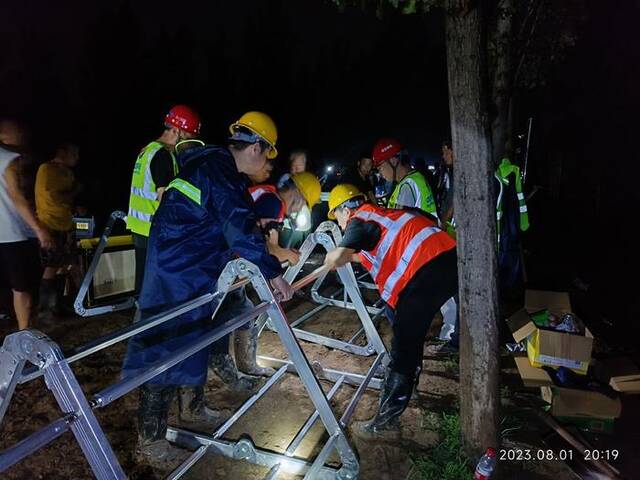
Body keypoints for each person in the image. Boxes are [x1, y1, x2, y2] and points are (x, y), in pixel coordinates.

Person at [121, 111, 294, 469]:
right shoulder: (217, 171)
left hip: (192, 266)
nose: (266, 163)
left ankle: (193, 408)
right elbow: (239, 226)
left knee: (193, 338)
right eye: (267, 154)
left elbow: (231, 226)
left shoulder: (218, 169)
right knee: (166, 349)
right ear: (256, 148)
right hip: (176, 270)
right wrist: (272, 273)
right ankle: (150, 441)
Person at [324, 184, 457, 438]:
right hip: (446, 258)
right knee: (406, 330)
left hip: (426, 269)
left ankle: (385, 422)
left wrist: (331, 257)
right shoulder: (381, 218)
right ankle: (409, 384)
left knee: (404, 345)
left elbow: (341, 255)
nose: (340, 225)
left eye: (337, 217)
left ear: (345, 209)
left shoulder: (360, 217)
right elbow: (362, 256)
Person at [226, 171, 321, 378]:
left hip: (229, 258)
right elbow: (267, 248)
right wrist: (288, 255)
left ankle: (239, 365)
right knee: (232, 313)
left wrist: (283, 254)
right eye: (302, 205)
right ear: (297, 195)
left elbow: (267, 247)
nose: (297, 211)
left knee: (240, 310)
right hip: (225, 260)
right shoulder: (273, 203)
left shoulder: (268, 198)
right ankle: (232, 366)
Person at [126, 105, 201, 294]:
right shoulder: (163, 156)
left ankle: (142, 317)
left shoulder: (147, 151)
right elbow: (164, 198)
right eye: (188, 136)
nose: (188, 143)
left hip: (140, 226)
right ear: (176, 130)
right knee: (154, 285)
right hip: (154, 229)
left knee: (144, 280)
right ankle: (146, 320)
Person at [0, 119, 52, 330]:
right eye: (21, 132)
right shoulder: (9, 159)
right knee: (22, 288)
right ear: (8, 135)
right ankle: (25, 333)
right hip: (13, 234)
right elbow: (17, 198)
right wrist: (39, 230)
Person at [35, 143, 81, 314]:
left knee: (64, 264)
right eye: (74, 153)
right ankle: (45, 309)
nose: (77, 158)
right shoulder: (47, 169)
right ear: (62, 152)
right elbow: (53, 196)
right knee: (52, 265)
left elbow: (68, 198)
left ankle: (59, 304)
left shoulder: (67, 172)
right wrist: (74, 192)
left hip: (66, 223)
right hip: (50, 223)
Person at [372, 138, 438, 219]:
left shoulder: (407, 186)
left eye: (380, 167)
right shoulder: (414, 178)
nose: (380, 173)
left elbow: (398, 225)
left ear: (393, 161)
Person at [435, 140, 455, 233]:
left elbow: (454, 202)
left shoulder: (458, 174)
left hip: (451, 224)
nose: (444, 156)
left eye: (446, 153)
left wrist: (442, 224)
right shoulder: (448, 172)